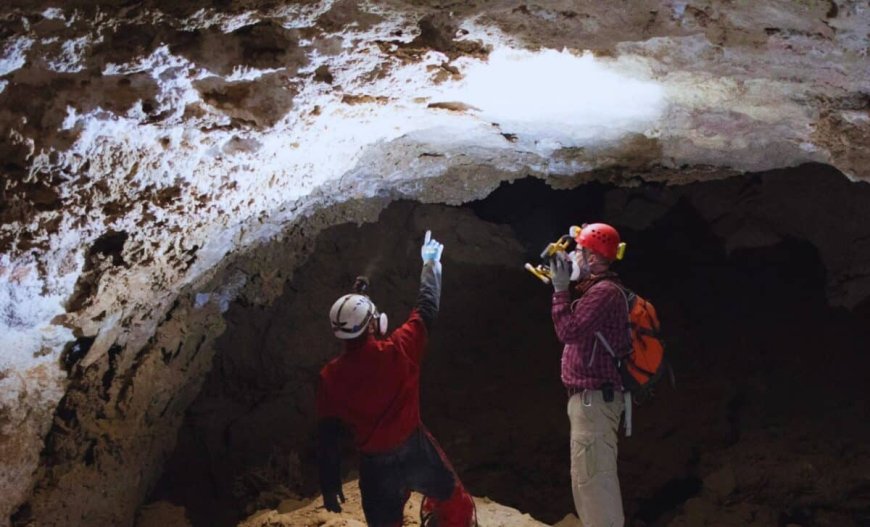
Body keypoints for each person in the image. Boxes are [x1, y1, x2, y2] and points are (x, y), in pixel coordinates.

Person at [316, 231, 476, 527]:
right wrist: (431, 265)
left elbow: (327, 436)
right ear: (376, 323)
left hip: (376, 466)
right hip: (415, 450)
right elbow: (427, 307)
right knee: (456, 505)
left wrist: (329, 482)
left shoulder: (330, 377)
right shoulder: (398, 349)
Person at [549, 223, 629, 527]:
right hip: (590, 402)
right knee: (587, 482)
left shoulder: (605, 292)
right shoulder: (595, 291)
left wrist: (559, 290)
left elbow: (568, 330)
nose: (573, 257)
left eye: (579, 251)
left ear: (594, 258)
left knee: (596, 484)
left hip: (595, 401)